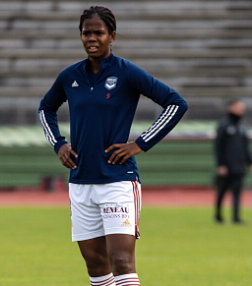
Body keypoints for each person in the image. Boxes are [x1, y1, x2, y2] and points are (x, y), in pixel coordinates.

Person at [38, 6, 188, 286]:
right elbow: (46, 108)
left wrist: (140, 144)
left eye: (99, 32)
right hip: (81, 181)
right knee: (95, 264)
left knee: (121, 260)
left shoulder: (127, 72)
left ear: (112, 36)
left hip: (118, 180)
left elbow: (176, 103)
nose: (92, 38)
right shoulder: (70, 76)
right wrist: (58, 143)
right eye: (86, 33)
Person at [213, 98, 252, 224]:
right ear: (231, 108)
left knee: (237, 193)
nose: (242, 110)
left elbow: (246, 148)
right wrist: (221, 164)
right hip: (227, 167)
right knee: (222, 191)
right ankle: (218, 215)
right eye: (239, 107)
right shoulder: (224, 125)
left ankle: (236, 217)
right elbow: (218, 147)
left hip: (239, 166)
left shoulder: (242, 127)